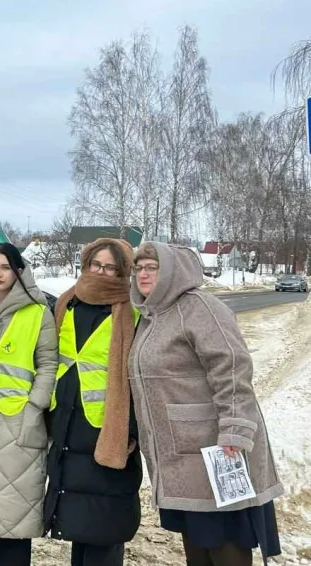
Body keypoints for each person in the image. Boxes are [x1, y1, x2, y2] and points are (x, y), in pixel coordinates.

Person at [129, 242, 283, 566]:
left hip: (216, 451)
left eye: (152, 267)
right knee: (197, 542)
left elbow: (232, 366)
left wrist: (235, 429)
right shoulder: (151, 317)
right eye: (139, 267)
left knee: (225, 541)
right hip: (181, 456)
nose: (143, 273)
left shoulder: (199, 306)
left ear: (171, 271)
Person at [44, 238, 142, 566]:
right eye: (95, 265)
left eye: (110, 267)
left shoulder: (132, 310)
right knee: (78, 526)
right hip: (68, 431)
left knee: (103, 530)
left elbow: (142, 376)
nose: (101, 272)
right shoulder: (65, 303)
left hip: (109, 435)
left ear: (123, 271)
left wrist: (131, 431)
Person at [0, 243, 58, 566]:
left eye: (5, 267)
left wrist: (35, 407)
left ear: (19, 271)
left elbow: (48, 363)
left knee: (16, 512)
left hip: (19, 419)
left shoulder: (37, 312)